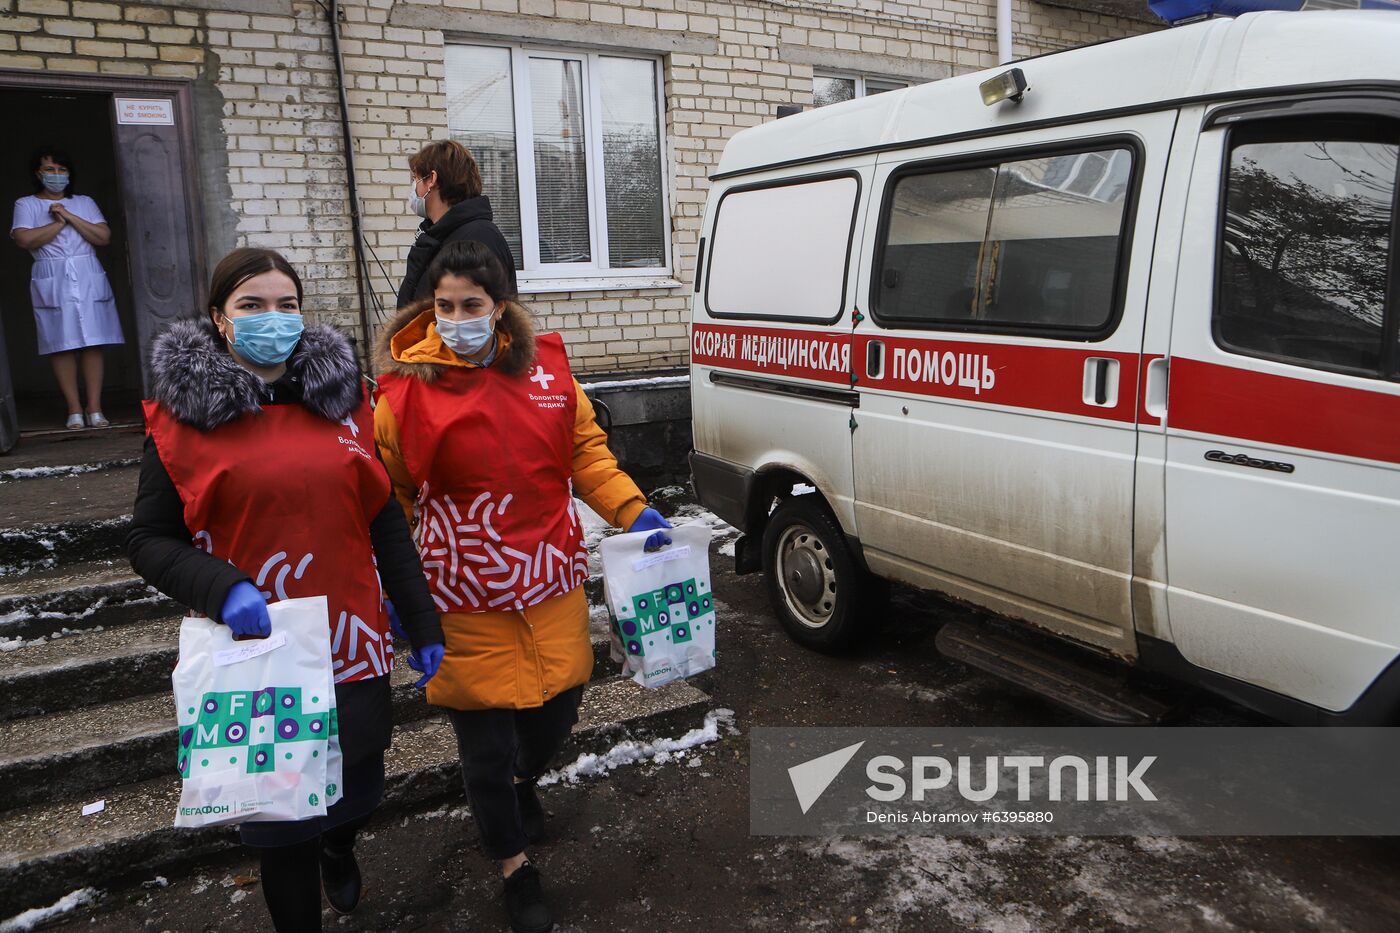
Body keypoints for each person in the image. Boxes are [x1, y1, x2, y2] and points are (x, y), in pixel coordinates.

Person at [126, 248, 446, 933]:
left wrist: (420, 618)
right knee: (279, 832)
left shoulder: (346, 401)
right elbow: (149, 539)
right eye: (251, 305)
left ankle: (340, 844)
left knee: (357, 792)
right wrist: (223, 587)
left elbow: (383, 515)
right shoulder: (180, 422)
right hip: (256, 654)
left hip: (348, 642)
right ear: (217, 319)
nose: (273, 318)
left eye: (286, 304)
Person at [373, 241, 672, 933]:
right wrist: (392, 585)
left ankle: (522, 780)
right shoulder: (405, 392)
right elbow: (388, 496)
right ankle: (514, 866)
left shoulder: (548, 375)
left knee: (556, 713)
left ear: (500, 307)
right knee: (481, 743)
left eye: (470, 306)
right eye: (443, 306)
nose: (456, 319)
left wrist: (632, 507)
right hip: (461, 590)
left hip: (548, 582)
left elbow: (585, 455)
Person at [9, 147, 124, 429]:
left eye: (61, 170)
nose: (56, 175)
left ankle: (94, 408)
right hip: (52, 273)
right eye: (49, 170)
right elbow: (25, 240)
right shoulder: (26, 204)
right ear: (37, 173)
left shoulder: (84, 202)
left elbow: (103, 236)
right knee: (61, 343)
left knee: (93, 342)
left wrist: (69, 215)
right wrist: (59, 223)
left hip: (87, 273)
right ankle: (74, 409)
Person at [396, 139, 518, 308]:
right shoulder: (436, 235)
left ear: (431, 179)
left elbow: (481, 318)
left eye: (415, 179)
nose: (413, 188)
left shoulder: (478, 238)